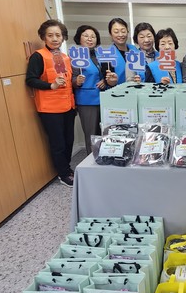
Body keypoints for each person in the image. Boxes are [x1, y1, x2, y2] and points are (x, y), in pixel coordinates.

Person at [25, 19, 76, 187]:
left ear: (63, 37)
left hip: (68, 106)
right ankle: (63, 174)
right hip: (50, 109)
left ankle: (67, 168)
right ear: (43, 37)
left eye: (58, 35)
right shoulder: (39, 56)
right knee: (58, 143)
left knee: (69, 140)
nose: (55, 39)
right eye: (50, 35)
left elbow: (68, 81)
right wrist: (51, 85)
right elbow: (30, 79)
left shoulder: (65, 57)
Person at [72, 25, 118, 155]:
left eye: (93, 36)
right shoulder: (76, 57)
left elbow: (107, 74)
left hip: (104, 98)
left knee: (106, 132)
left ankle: (106, 157)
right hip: (87, 101)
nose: (90, 39)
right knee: (91, 134)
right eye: (86, 36)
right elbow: (72, 79)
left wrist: (105, 81)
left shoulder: (102, 54)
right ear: (79, 38)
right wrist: (77, 81)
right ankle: (91, 160)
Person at [107, 18, 140, 82]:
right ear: (110, 34)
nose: (120, 35)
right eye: (116, 32)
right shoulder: (108, 55)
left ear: (127, 31)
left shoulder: (134, 49)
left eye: (123, 31)